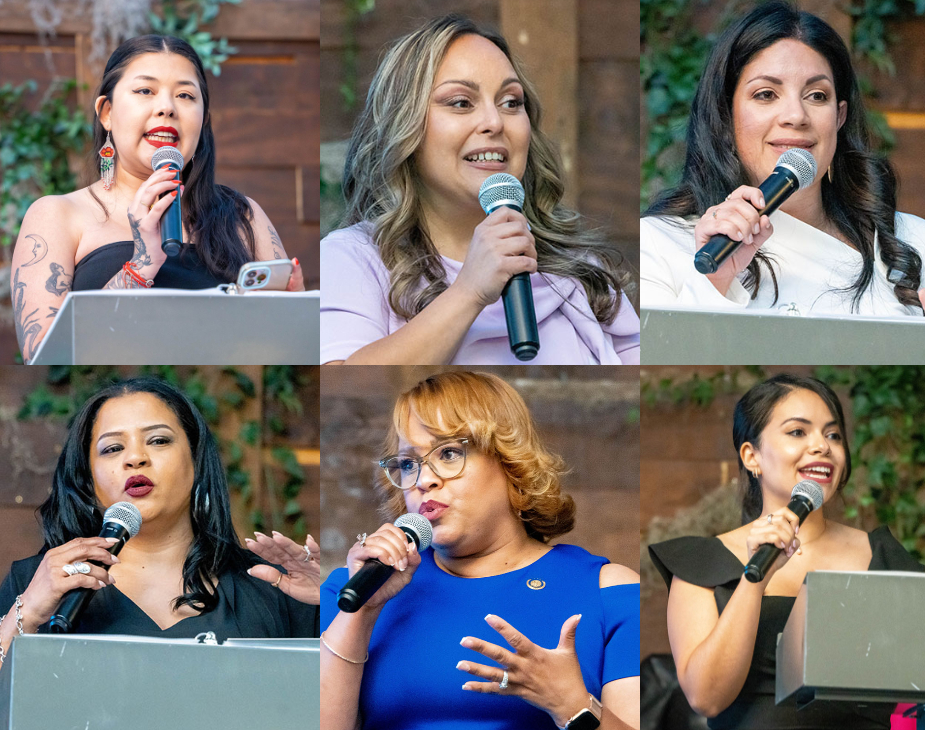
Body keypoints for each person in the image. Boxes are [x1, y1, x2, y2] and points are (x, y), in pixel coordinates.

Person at [319, 371, 640, 729]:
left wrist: (573, 706)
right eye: (409, 463)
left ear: (510, 463)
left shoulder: (609, 592)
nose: (424, 480)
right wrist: (360, 614)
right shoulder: (351, 589)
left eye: (450, 453)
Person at [321, 15, 639, 365]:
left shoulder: (581, 270)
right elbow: (343, 380)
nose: (494, 122)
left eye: (511, 102)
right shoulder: (354, 258)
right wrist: (469, 291)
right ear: (404, 124)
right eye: (461, 102)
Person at [641, 2, 925, 320]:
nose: (796, 116)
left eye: (817, 96)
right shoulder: (659, 244)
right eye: (765, 94)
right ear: (726, 116)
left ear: (839, 117)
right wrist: (714, 281)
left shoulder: (923, 245)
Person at [648, 374, 925, 729]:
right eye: (798, 432)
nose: (822, 446)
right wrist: (756, 578)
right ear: (752, 456)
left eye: (833, 434)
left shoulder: (882, 554)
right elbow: (706, 697)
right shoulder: (700, 563)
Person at [9, 35, 305, 364]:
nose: (167, 107)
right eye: (145, 91)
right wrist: (140, 265)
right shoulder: (57, 215)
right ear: (106, 112)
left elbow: (286, 351)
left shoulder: (243, 215)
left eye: (185, 95)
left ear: (203, 120)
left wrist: (294, 316)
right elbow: (45, 357)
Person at [0, 377, 320, 667]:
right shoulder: (33, 582)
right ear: (88, 479)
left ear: (195, 460)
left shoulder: (275, 588)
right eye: (112, 448)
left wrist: (327, 600)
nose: (135, 458)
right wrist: (26, 613)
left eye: (158, 440)